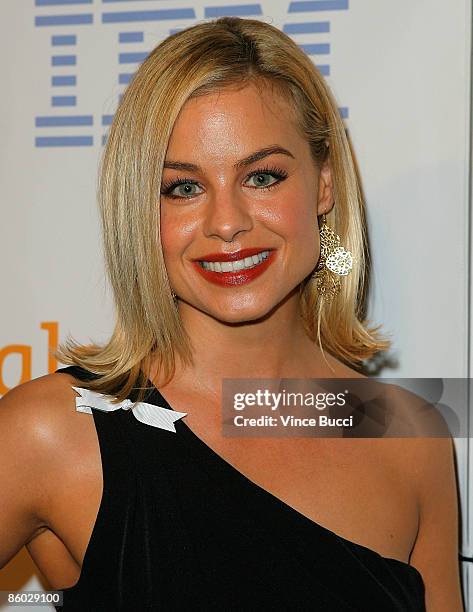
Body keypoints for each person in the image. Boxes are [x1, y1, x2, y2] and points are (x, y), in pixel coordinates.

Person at [0, 16, 463, 612]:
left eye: (262, 176)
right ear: (141, 210)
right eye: (183, 188)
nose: (227, 222)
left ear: (323, 184)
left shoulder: (409, 432)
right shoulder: (54, 431)